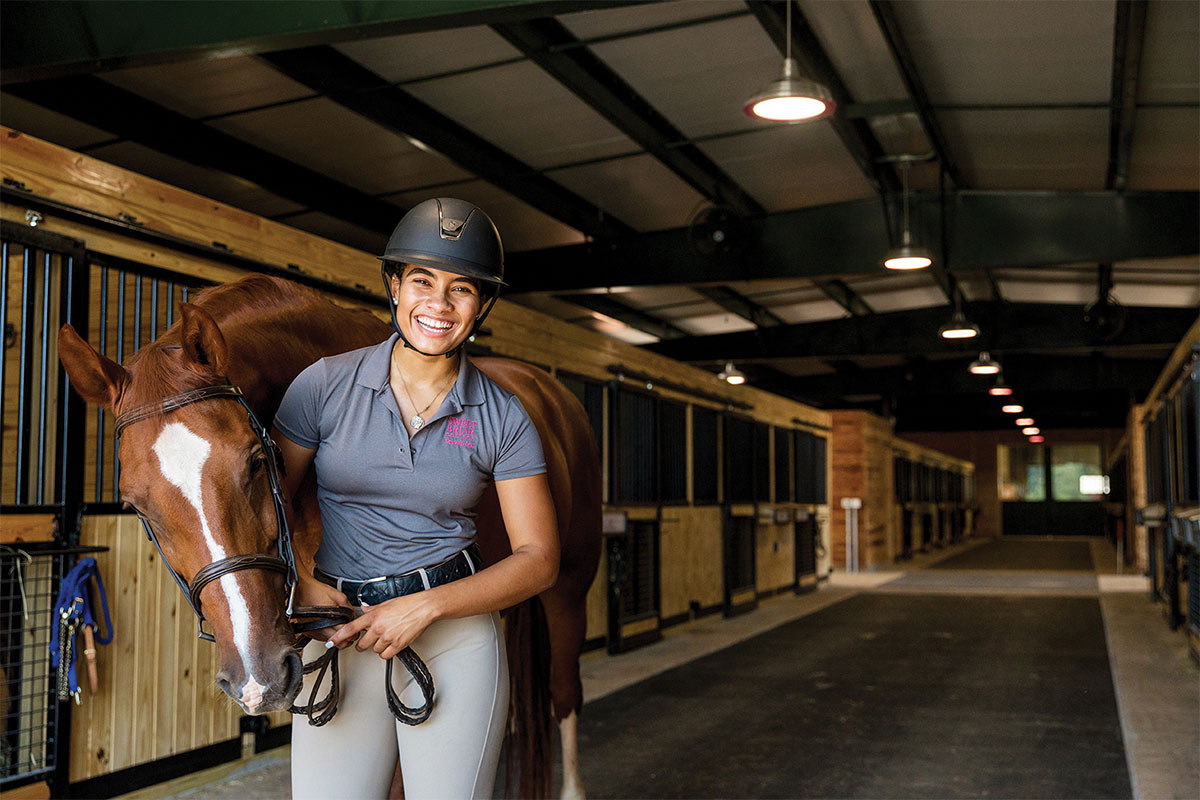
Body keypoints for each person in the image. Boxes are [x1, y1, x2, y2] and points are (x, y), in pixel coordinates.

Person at [273, 198, 559, 800]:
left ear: (481, 305)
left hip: (453, 634)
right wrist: (299, 579)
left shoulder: (503, 418)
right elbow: (266, 507)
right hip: (340, 629)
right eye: (422, 281)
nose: (439, 303)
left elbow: (538, 558)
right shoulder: (323, 385)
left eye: (461, 289)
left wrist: (425, 608)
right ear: (395, 287)